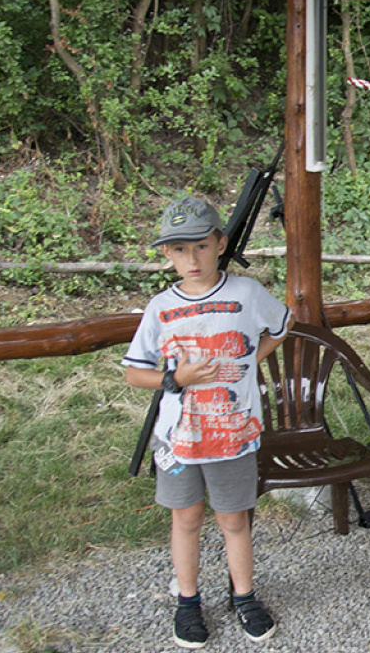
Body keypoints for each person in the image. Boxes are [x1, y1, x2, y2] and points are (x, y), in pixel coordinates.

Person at [122, 196, 291, 649]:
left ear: (221, 243)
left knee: (234, 519)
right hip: (178, 439)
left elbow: (281, 326)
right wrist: (175, 379)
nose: (192, 259)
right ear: (167, 253)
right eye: (180, 249)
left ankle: (245, 597)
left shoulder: (247, 294)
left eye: (200, 246)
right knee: (187, 518)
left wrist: (249, 362)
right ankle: (188, 601)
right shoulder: (160, 307)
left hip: (233, 436)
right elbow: (134, 372)